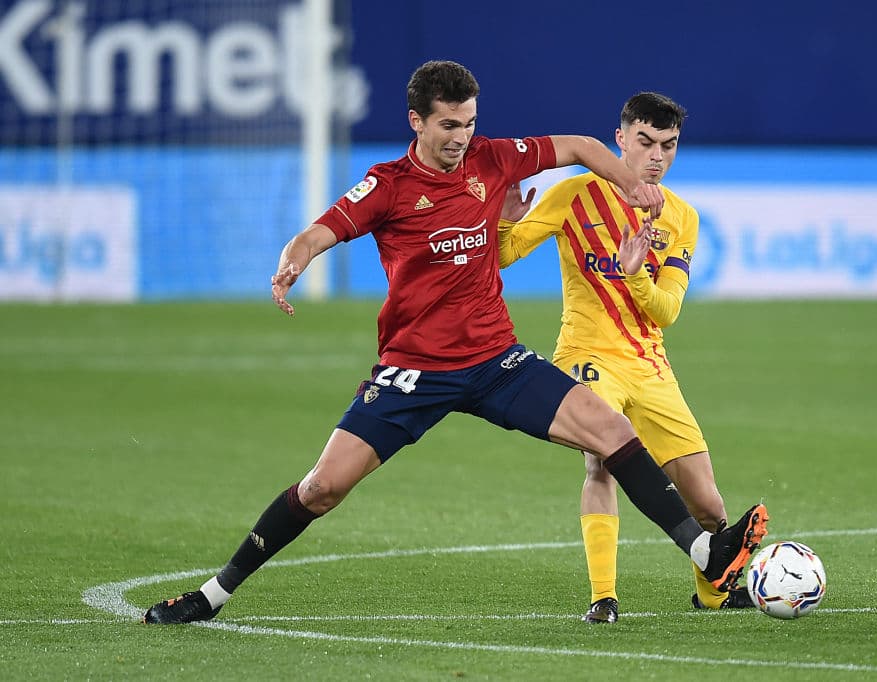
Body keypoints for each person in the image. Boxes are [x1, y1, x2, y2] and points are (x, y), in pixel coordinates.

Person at [142, 61, 768, 625]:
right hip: (414, 370)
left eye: (469, 122)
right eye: (448, 125)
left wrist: (631, 187)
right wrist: (291, 262)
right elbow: (318, 232)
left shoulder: (493, 159)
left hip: (498, 361)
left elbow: (578, 147)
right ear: (416, 121)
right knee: (322, 488)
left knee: (612, 435)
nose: (461, 136)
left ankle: (705, 551)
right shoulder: (385, 186)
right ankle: (213, 595)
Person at [497, 92, 757, 623]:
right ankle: (603, 597)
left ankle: (711, 593)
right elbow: (500, 257)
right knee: (601, 458)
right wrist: (503, 221)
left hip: (650, 367)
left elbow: (665, 312)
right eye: (645, 142)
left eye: (669, 145)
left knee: (708, 505)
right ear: (620, 139)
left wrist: (632, 271)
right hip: (585, 355)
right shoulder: (574, 196)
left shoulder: (681, 218)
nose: (657, 156)